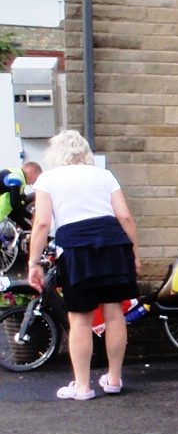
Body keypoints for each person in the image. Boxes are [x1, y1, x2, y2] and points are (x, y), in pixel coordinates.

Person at [27, 132, 140, 398]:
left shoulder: (47, 179)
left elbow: (42, 223)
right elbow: (124, 216)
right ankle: (113, 379)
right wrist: (133, 253)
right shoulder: (103, 175)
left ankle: (82, 386)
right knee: (114, 314)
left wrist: (34, 263)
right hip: (113, 246)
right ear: (85, 152)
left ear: (55, 154)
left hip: (77, 251)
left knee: (80, 319)